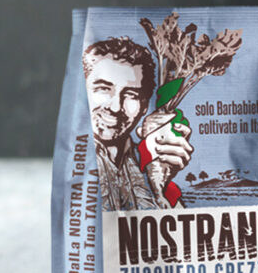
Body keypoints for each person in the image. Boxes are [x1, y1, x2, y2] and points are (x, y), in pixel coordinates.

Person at [82, 37, 193, 210]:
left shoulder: (147, 163)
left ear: (143, 107)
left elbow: (181, 230)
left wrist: (160, 185)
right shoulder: (79, 166)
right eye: (103, 89)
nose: (116, 107)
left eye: (131, 95)